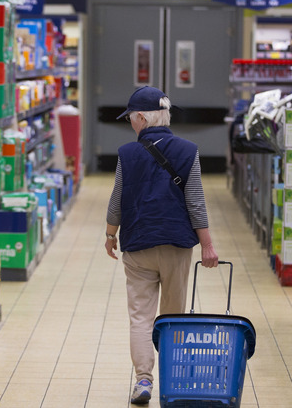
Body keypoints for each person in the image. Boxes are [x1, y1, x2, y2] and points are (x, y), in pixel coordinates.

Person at [104, 86, 219, 405]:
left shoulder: (127, 153)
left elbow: (117, 198)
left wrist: (111, 233)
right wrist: (207, 245)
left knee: (140, 316)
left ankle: (143, 379)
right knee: (173, 315)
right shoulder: (188, 149)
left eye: (130, 118)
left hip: (138, 244)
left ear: (141, 117)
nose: (130, 124)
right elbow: (195, 200)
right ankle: (172, 377)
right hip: (177, 244)